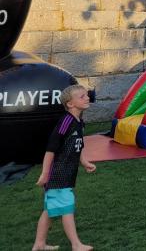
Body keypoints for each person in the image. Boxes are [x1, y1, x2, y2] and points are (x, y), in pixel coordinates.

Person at [33, 85, 96, 251]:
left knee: (50, 210)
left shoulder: (79, 122)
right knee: (67, 207)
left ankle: (39, 244)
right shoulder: (66, 121)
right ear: (70, 104)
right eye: (82, 96)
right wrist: (45, 174)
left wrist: (84, 161)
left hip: (66, 174)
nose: (87, 98)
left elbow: (77, 144)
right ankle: (76, 245)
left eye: (86, 95)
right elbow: (51, 148)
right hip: (57, 175)